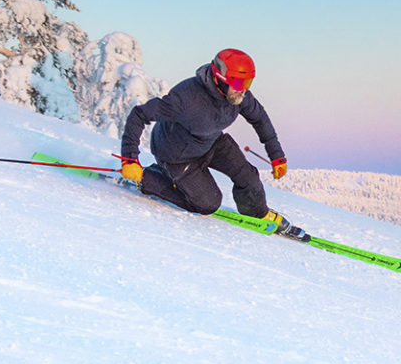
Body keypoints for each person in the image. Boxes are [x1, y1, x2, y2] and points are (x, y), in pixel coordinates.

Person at [119, 48, 291, 232]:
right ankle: (147, 179)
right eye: (240, 83)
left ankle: (258, 215)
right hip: (176, 154)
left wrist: (276, 156)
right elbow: (139, 115)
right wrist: (129, 159)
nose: (245, 89)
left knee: (248, 176)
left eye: (248, 82)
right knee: (207, 204)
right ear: (222, 79)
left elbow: (259, 118)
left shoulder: (238, 96)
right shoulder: (186, 98)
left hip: (211, 141)